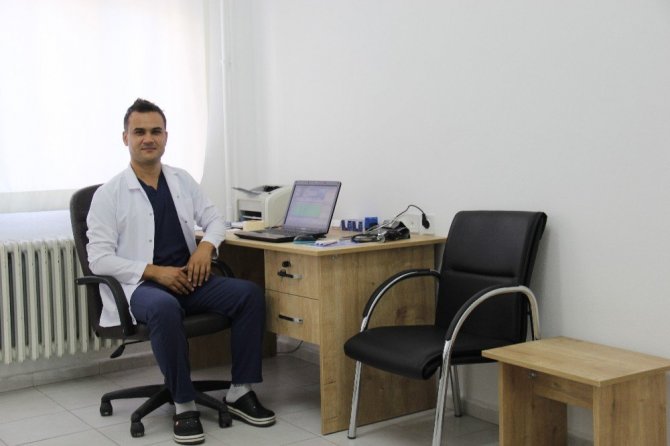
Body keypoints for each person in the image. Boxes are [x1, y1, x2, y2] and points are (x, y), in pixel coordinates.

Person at [86, 98, 275, 445]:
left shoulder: (181, 180)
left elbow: (215, 220)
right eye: (139, 132)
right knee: (163, 307)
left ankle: (240, 390)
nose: (148, 138)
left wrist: (206, 247)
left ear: (166, 136)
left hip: (189, 281)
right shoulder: (108, 194)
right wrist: (154, 272)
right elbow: (98, 259)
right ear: (125, 137)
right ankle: (184, 403)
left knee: (248, 294)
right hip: (142, 288)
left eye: (155, 131)